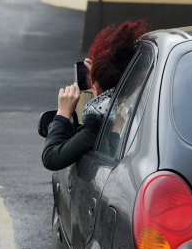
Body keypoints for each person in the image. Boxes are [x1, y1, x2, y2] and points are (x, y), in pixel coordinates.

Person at [41, 20, 148, 171]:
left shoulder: (97, 124)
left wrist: (63, 113)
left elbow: (51, 159)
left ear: (96, 88)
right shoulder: (139, 107)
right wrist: (115, 130)